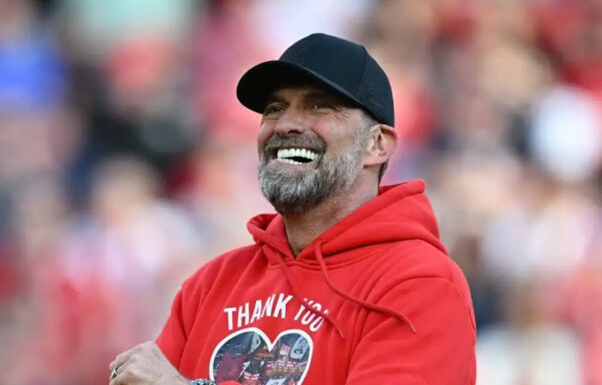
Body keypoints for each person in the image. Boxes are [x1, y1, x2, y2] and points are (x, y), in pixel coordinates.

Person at [109, 33, 476, 385]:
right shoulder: (212, 284)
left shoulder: (420, 283)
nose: (285, 125)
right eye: (274, 108)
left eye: (319, 105)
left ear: (377, 144)